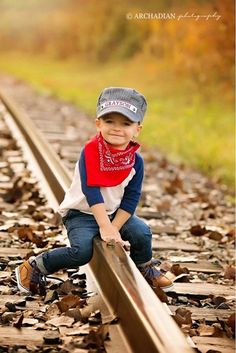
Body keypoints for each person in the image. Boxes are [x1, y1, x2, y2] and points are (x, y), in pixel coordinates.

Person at [15, 87, 173, 294]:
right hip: (82, 214)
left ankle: (143, 267)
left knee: (141, 232)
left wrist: (114, 227)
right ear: (98, 123)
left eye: (125, 123)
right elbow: (92, 191)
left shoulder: (136, 161)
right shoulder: (90, 152)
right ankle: (35, 266)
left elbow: (132, 197)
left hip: (113, 213)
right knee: (81, 252)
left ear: (137, 129)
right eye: (109, 121)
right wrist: (105, 227)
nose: (117, 128)